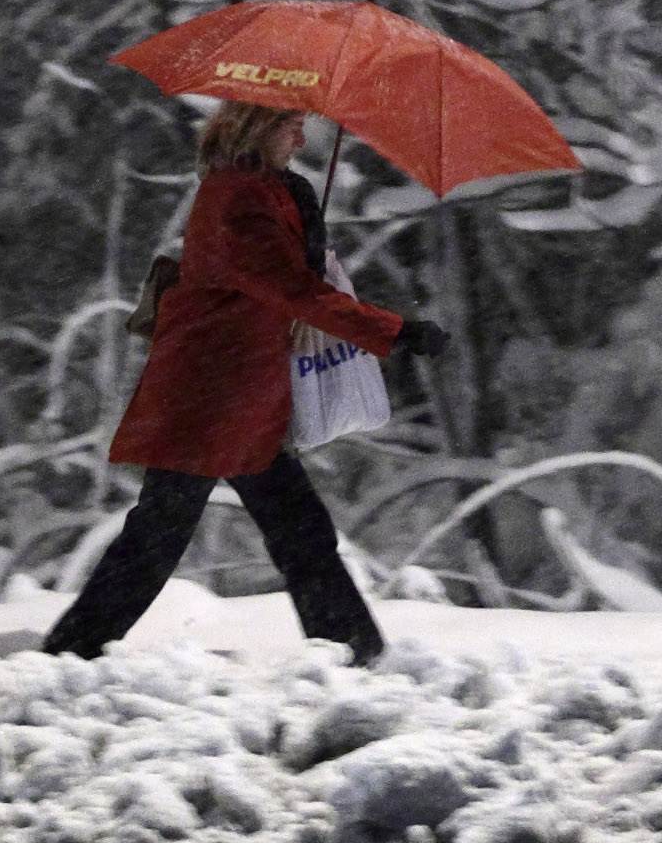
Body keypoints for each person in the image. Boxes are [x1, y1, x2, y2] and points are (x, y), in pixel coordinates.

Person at [41, 101, 449, 666]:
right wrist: (396, 331)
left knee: (293, 528)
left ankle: (352, 650)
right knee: (162, 536)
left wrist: (308, 225)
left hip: (242, 398)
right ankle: (68, 652)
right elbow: (292, 289)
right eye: (291, 125)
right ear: (257, 126)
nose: (302, 138)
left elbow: (294, 282)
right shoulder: (237, 197)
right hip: (207, 398)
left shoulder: (269, 189)